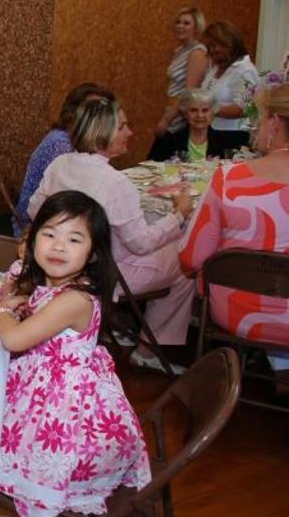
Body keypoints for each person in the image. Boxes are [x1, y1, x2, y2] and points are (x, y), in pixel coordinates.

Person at [0, 191, 151, 517]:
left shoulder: (74, 300)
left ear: (93, 254)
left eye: (74, 239)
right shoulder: (55, 288)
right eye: (49, 234)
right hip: (46, 389)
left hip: (68, 415)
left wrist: (2, 310)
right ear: (32, 240)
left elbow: (15, 339)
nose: (58, 246)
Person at [29, 98, 195, 371]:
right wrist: (178, 215)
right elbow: (141, 244)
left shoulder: (60, 164)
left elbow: (35, 210)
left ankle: (117, 325)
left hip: (65, 261)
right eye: (122, 127)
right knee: (186, 262)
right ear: (103, 133)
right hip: (105, 273)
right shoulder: (115, 182)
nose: (130, 132)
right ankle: (147, 350)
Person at [179, 82, 289, 383]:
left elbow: (191, 258)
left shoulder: (229, 180)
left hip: (239, 310)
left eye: (260, 118)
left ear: (274, 123)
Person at [13, 82, 114, 236]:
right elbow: (69, 203)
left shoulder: (62, 136)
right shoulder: (62, 145)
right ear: (74, 113)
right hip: (33, 225)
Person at [150, 6, 208, 142]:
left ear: (196, 28)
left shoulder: (197, 53)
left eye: (186, 23)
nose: (180, 26)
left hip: (182, 117)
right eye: (178, 22)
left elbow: (188, 92)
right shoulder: (180, 50)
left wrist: (167, 120)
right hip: (172, 109)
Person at [201, 20, 259, 150]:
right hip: (213, 132)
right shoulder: (215, 68)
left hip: (235, 136)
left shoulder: (245, 70)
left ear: (230, 43)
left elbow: (244, 109)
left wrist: (209, 110)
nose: (212, 50)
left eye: (215, 45)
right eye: (209, 47)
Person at [147, 88, 234, 162]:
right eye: (193, 110)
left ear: (212, 113)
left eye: (205, 110)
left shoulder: (225, 143)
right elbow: (152, 167)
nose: (200, 115)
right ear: (185, 113)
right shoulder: (170, 140)